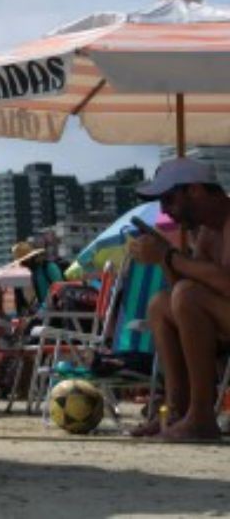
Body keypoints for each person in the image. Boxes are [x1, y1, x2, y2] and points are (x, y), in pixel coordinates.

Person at [129, 158, 230, 441]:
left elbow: (225, 283)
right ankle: (177, 410)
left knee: (187, 295)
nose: (164, 210)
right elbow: (182, 293)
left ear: (195, 190)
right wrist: (163, 259)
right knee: (160, 304)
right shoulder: (208, 231)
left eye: (169, 199)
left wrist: (169, 255)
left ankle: (201, 417)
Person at [11, 240, 62, 315]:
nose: (22, 264)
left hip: (56, 315)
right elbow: (20, 304)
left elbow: (61, 291)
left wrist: (43, 309)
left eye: (24, 261)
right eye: (20, 262)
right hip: (36, 318)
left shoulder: (48, 268)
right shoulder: (21, 279)